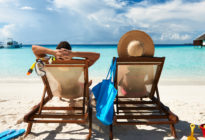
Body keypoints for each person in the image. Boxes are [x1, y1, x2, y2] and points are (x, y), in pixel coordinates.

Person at [32, 41, 100, 67]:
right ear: (70, 51)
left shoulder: (49, 62)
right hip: (78, 92)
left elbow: (34, 48)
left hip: (58, 91)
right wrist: (74, 54)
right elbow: (97, 56)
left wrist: (53, 52)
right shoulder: (79, 64)